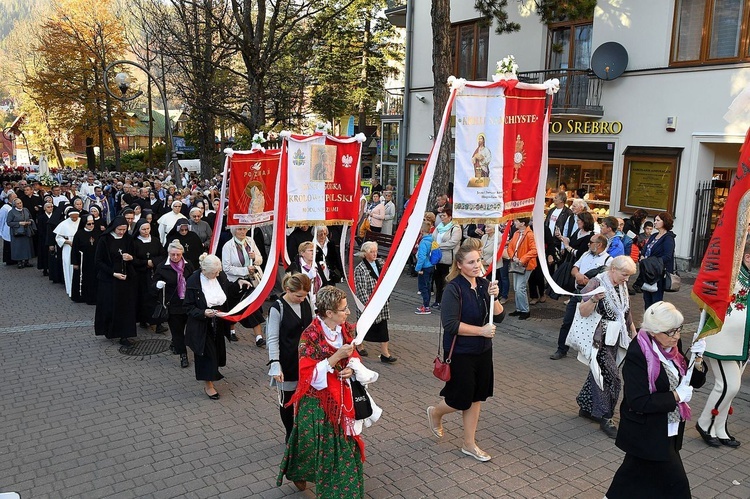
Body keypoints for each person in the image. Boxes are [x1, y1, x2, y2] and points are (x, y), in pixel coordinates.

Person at [606, 301, 707, 498]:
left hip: (667, 430)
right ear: (653, 331)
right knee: (677, 485)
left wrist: (699, 358)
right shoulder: (638, 354)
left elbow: (694, 380)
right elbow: (638, 401)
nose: (676, 336)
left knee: (630, 478)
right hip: (647, 432)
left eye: (678, 330)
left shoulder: (672, 345)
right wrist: (675, 396)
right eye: (670, 332)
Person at [277, 286, 364, 496]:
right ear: (329, 313)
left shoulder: (347, 330)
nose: (348, 313)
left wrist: (351, 367)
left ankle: (344, 492)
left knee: (342, 447)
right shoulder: (310, 335)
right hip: (316, 402)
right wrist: (335, 358)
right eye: (344, 309)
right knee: (308, 444)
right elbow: (307, 375)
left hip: (341, 400)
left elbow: (355, 358)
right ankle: (299, 472)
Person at [426, 246, 503, 462]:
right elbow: (450, 324)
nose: (476, 265)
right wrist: (481, 331)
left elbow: (500, 317)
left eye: (478, 260)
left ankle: (469, 444)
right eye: (470, 262)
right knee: (460, 399)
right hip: (460, 352)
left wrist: (495, 297)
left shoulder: (484, 284)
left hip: (483, 352)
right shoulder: (453, 288)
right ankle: (436, 412)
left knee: (476, 397)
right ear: (459, 264)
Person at [696, 238, 750, 449]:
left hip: (742, 342)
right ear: (747, 257)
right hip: (721, 338)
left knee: (731, 388)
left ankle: (719, 428)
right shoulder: (733, 273)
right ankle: (704, 423)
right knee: (728, 385)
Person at [576, 255, 637, 438]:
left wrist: (634, 335)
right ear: (613, 269)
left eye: (629, 275)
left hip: (617, 338)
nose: (627, 279)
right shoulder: (596, 283)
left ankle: (586, 406)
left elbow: (626, 313)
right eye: (624, 274)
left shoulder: (622, 285)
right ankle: (606, 416)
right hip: (599, 339)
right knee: (611, 378)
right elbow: (582, 310)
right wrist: (594, 300)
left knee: (598, 373)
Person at [184, 254, 252, 399]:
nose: (217, 274)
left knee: (216, 351)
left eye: (218, 272)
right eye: (214, 273)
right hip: (202, 324)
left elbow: (227, 292)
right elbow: (188, 307)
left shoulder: (219, 277)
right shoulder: (193, 281)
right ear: (204, 270)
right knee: (206, 353)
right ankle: (208, 385)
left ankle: (212, 374)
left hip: (219, 321)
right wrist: (202, 312)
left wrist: (238, 283)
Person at [266, 273, 314, 441]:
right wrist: (275, 364)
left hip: (307, 362)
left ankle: (303, 430)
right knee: (287, 401)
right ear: (287, 290)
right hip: (287, 362)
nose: (302, 299)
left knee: (306, 400)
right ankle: (290, 433)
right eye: (298, 295)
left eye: (305, 295)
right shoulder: (277, 308)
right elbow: (272, 338)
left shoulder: (307, 301)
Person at [550, 234, 610, 360]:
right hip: (577, 293)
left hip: (592, 297)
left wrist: (589, 282)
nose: (588, 244)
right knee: (567, 321)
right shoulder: (585, 254)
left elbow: (606, 281)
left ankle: (590, 352)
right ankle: (561, 349)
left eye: (591, 242)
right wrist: (577, 275)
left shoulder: (608, 261)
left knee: (591, 325)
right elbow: (574, 268)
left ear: (599, 245)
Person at [94, 217, 138, 346]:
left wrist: (130, 257)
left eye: (124, 230)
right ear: (114, 228)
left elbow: (135, 256)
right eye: (119, 229)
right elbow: (98, 261)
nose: (121, 232)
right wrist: (113, 273)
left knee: (125, 307)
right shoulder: (104, 240)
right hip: (109, 279)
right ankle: (109, 330)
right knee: (110, 306)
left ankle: (124, 335)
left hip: (125, 278)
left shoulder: (128, 239)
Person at [220, 225, 266, 346]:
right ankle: (232, 330)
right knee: (234, 306)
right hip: (235, 281)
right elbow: (226, 268)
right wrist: (245, 270)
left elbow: (260, 259)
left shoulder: (250, 241)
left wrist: (254, 257)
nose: (242, 232)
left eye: (244, 229)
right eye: (239, 229)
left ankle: (259, 337)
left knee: (252, 306)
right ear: (234, 231)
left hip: (252, 280)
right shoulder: (228, 246)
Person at [154, 240, 195, 369]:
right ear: (168, 254)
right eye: (173, 255)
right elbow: (152, 285)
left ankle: (175, 344)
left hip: (188, 303)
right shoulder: (162, 267)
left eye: (178, 254)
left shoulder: (188, 265)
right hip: (173, 305)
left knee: (189, 330)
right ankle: (183, 355)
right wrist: (157, 285)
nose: (175, 257)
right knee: (177, 332)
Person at [354, 241, 396, 363]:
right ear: (364, 254)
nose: (374, 254)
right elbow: (361, 288)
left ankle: (385, 353)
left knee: (383, 326)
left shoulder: (381, 263)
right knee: (363, 326)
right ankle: (359, 344)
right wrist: (368, 305)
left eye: (375, 251)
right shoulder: (360, 269)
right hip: (368, 303)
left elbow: (388, 277)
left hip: (381, 301)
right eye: (371, 252)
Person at [132, 218, 166, 328]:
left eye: (148, 229)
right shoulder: (134, 242)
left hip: (154, 273)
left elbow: (163, 255)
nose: (146, 231)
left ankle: (158, 323)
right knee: (143, 298)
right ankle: (143, 320)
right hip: (141, 275)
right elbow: (133, 259)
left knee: (156, 297)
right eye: (143, 229)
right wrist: (146, 263)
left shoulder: (155, 240)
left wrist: (153, 262)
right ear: (138, 230)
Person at [640, 212, 676, 309]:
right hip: (647, 271)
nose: (655, 222)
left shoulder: (668, 238)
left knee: (656, 300)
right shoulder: (653, 235)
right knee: (646, 298)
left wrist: (652, 262)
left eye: (658, 220)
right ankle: (647, 319)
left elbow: (667, 256)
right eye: (655, 220)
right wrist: (642, 255)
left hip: (658, 272)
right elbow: (646, 249)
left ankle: (655, 320)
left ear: (665, 222)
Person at [505, 217, 537, 320]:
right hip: (517, 263)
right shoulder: (516, 233)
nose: (514, 222)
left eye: (516, 221)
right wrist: (513, 257)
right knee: (516, 288)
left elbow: (534, 250)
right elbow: (510, 247)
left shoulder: (530, 235)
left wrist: (521, 259)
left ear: (522, 223)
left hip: (525, 265)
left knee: (520, 288)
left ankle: (524, 310)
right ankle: (520, 309)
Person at [432, 207, 462, 309]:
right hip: (438, 258)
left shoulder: (455, 228)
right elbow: (433, 238)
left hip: (448, 259)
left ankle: (445, 302)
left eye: (444, 216)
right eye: (441, 216)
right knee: (438, 280)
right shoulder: (439, 227)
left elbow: (453, 242)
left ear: (450, 217)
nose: (442, 218)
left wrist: (439, 246)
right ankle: (437, 300)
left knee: (446, 280)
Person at [70, 215, 100, 305]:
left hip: (94, 260)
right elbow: (74, 249)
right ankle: (81, 296)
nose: (91, 225)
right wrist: (75, 262)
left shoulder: (97, 233)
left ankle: (94, 297)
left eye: (93, 223)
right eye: (89, 224)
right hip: (83, 260)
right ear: (84, 224)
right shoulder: (79, 234)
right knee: (84, 279)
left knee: (94, 279)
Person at [6, 196, 36, 269]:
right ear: (14, 205)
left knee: (27, 246)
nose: (20, 205)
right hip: (17, 232)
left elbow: (30, 217)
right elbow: (9, 222)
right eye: (18, 204)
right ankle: (19, 262)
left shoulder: (26, 210)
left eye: (21, 203)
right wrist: (19, 223)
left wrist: (29, 222)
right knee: (18, 247)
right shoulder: (11, 212)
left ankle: (26, 261)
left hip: (26, 231)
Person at [415, 222, 435, 315]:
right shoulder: (432, 240)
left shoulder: (423, 242)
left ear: (422, 230)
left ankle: (426, 307)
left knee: (423, 286)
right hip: (431, 265)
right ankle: (426, 305)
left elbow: (421, 257)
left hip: (424, 267)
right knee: (428, 286)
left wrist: (418, 268)